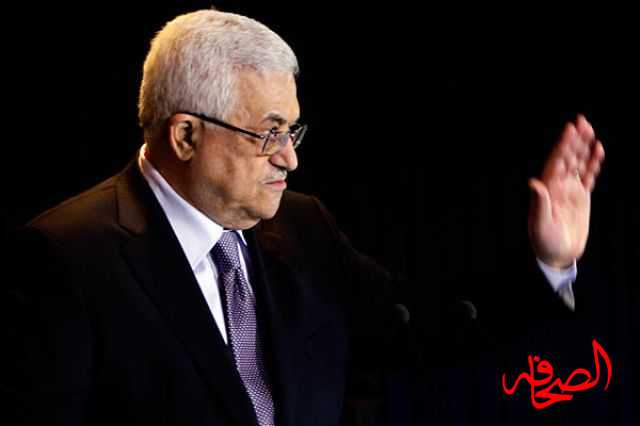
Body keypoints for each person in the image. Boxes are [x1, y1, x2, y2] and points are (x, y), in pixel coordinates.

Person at [1, 9, 605, 426]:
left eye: (292, 130)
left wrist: (547, 264)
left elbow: (420, 331)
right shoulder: (64, 258)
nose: (289, 157)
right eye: (269, 133)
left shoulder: (302, 226)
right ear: (185, 135)